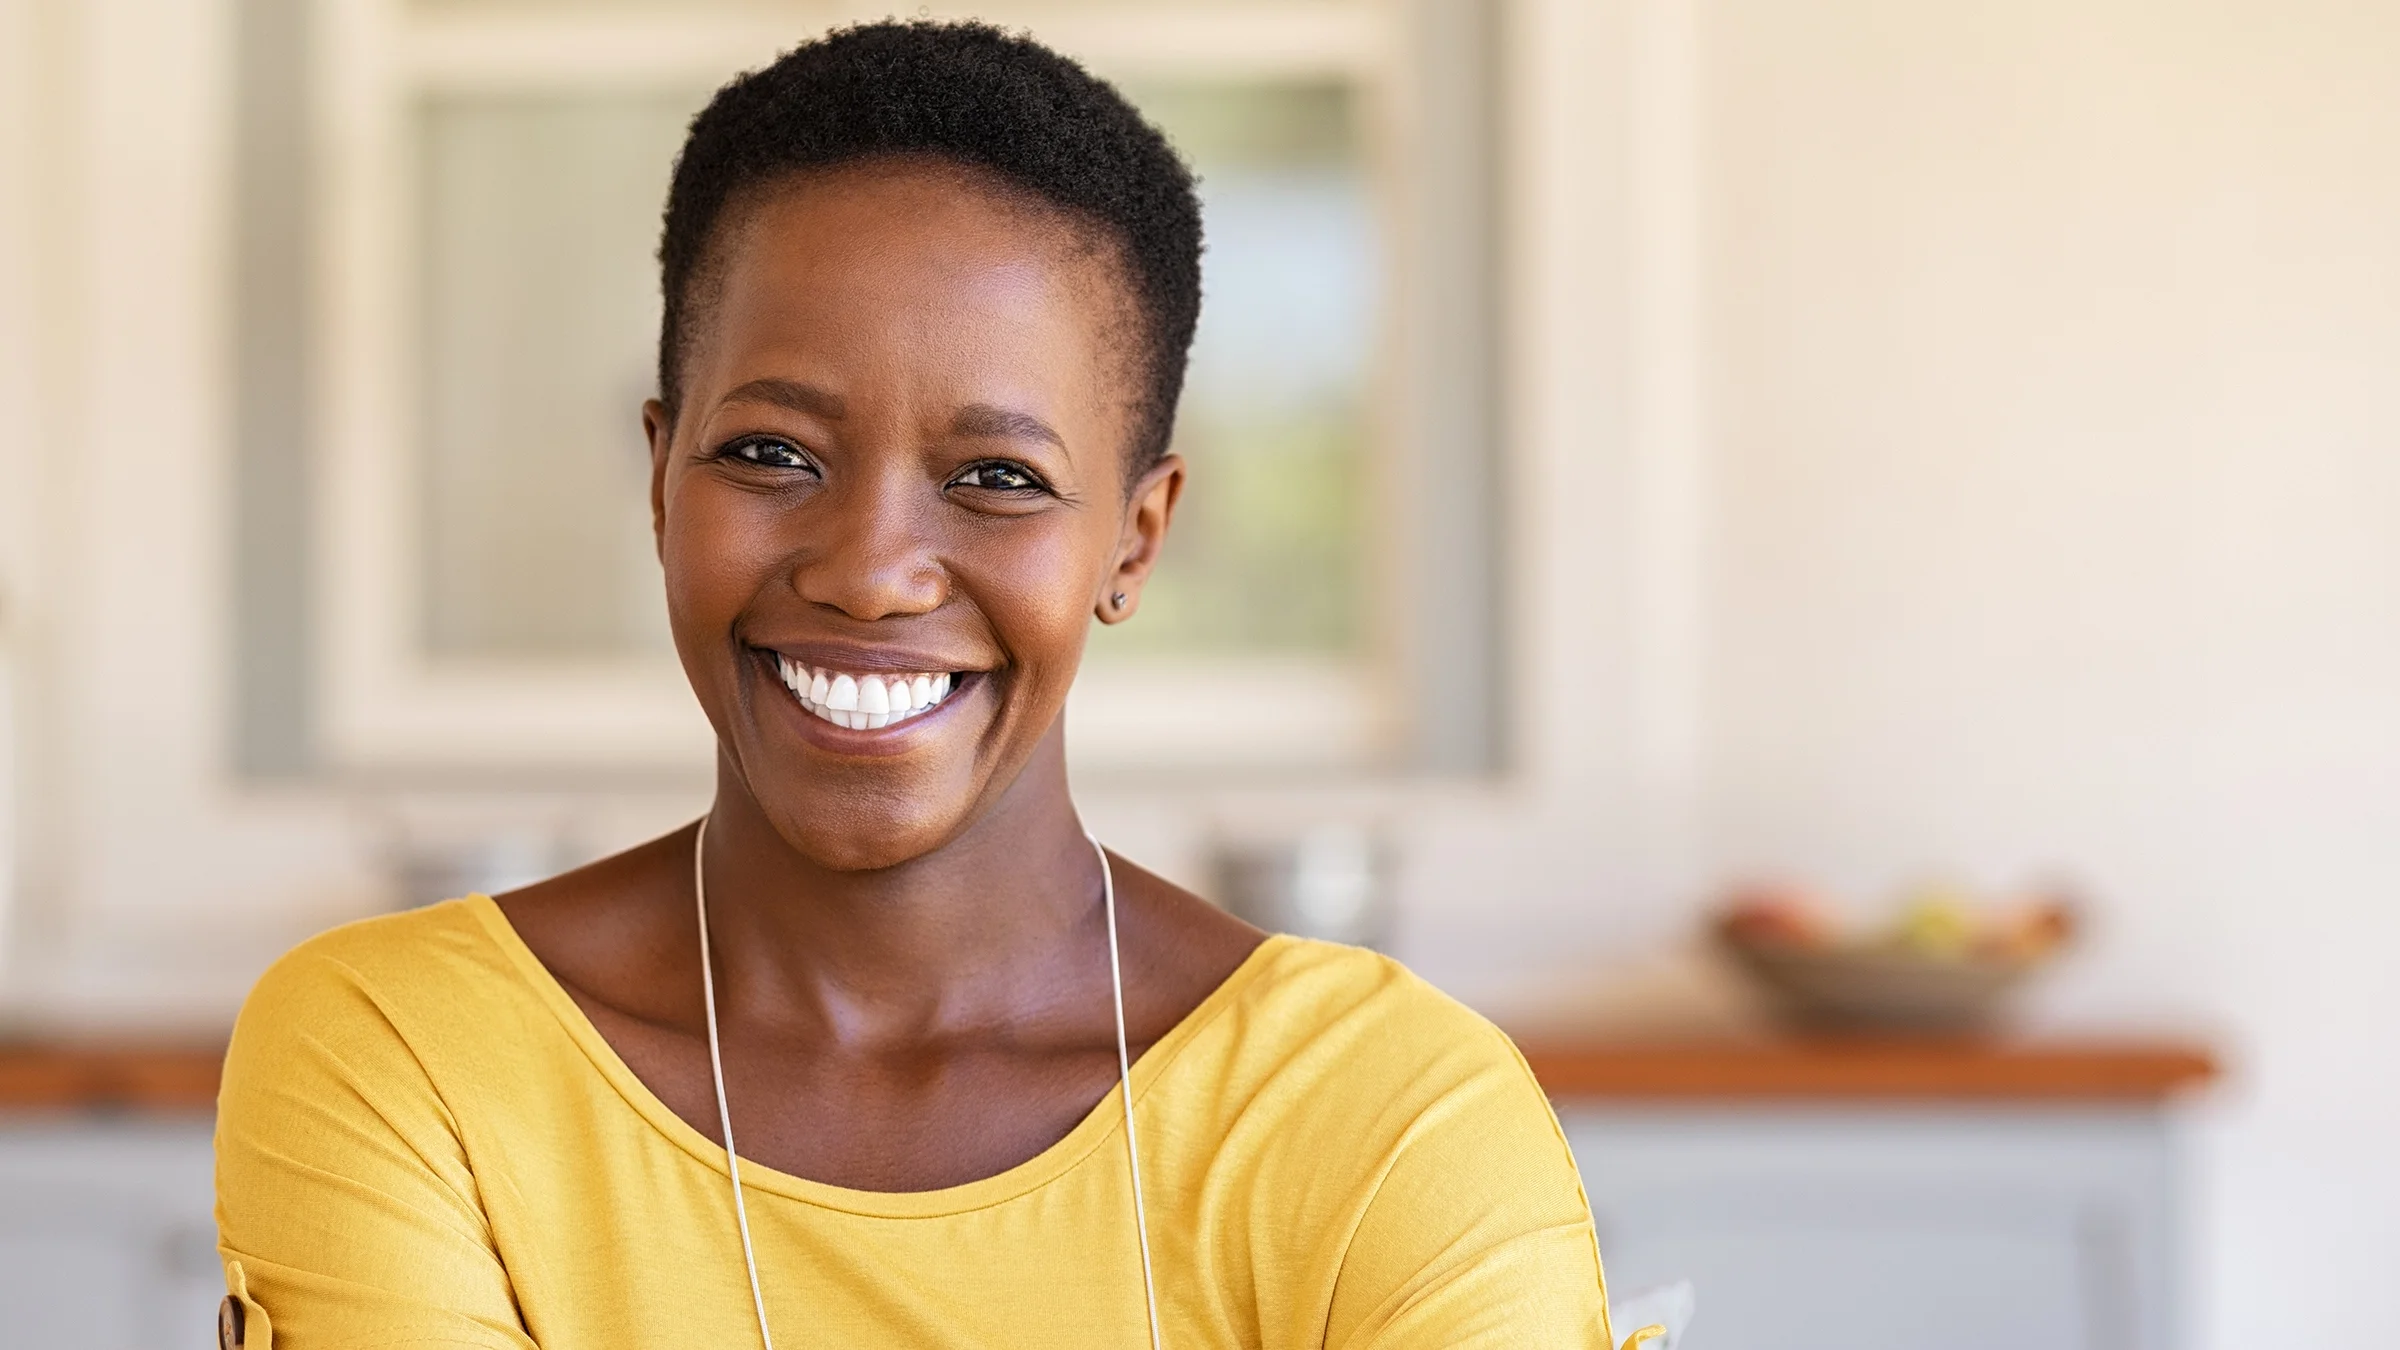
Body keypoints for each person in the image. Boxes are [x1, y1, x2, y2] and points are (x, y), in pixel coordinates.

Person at [214, 21, 1646, 1349]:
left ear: (1134, 537)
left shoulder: (1387, 1114)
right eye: (773, 453)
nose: (871, 570)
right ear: (661, 476)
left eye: (997, 478)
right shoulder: (407, 1061)